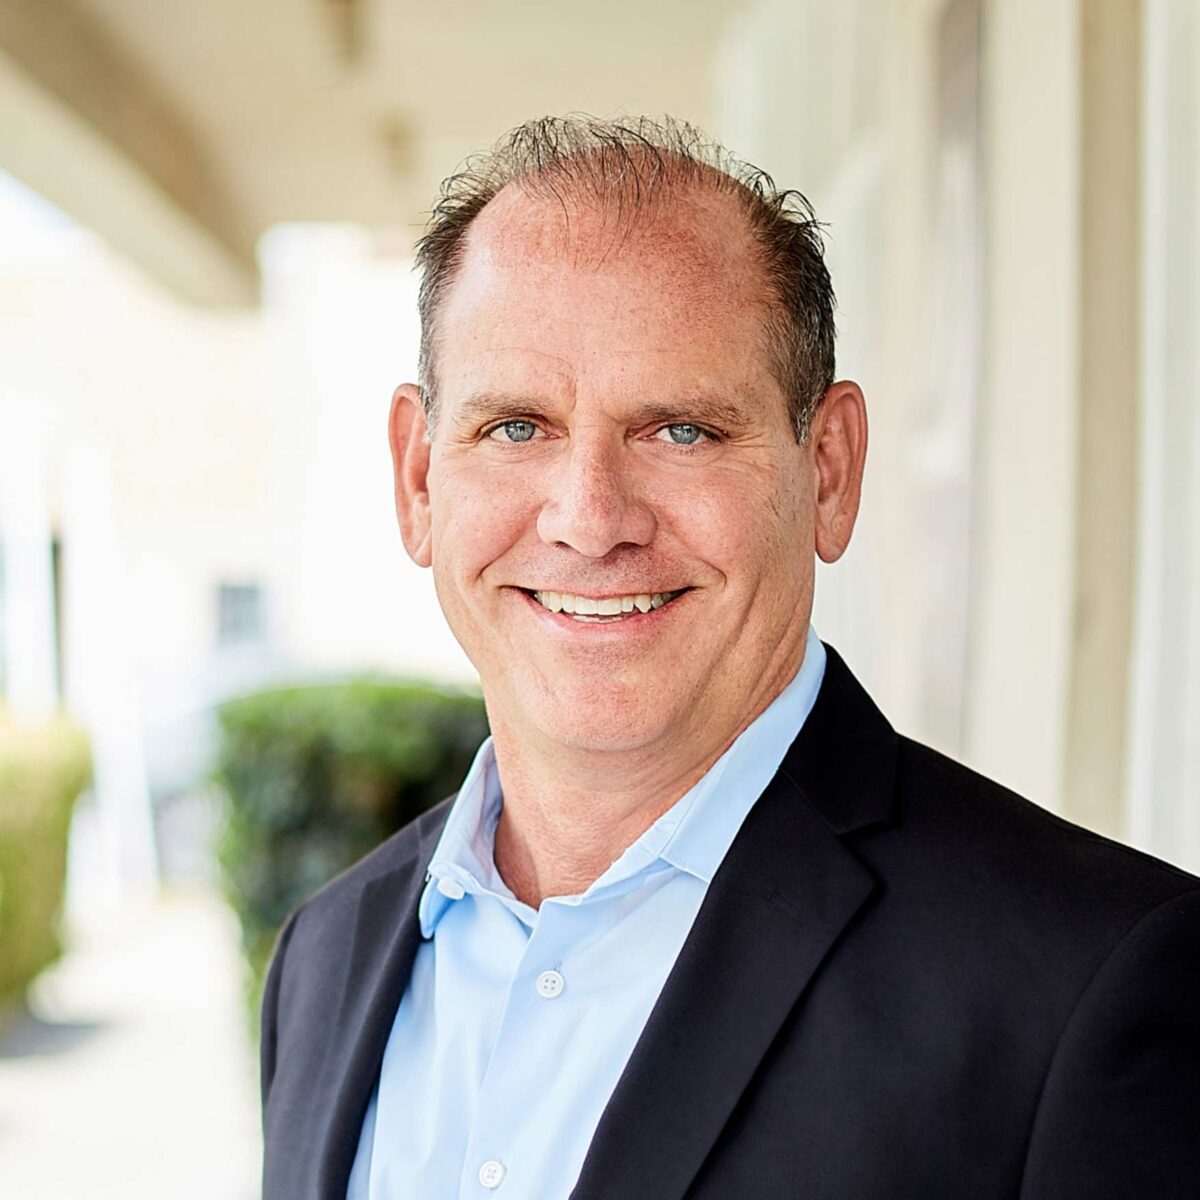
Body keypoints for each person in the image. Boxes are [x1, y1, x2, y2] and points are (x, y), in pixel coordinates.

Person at [259, 117, 1200, 1200]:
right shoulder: (324, 959)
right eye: (516, 427)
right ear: (419, 478)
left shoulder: (1091, 988)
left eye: (682, 431)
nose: (589, 520)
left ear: (829, 471)